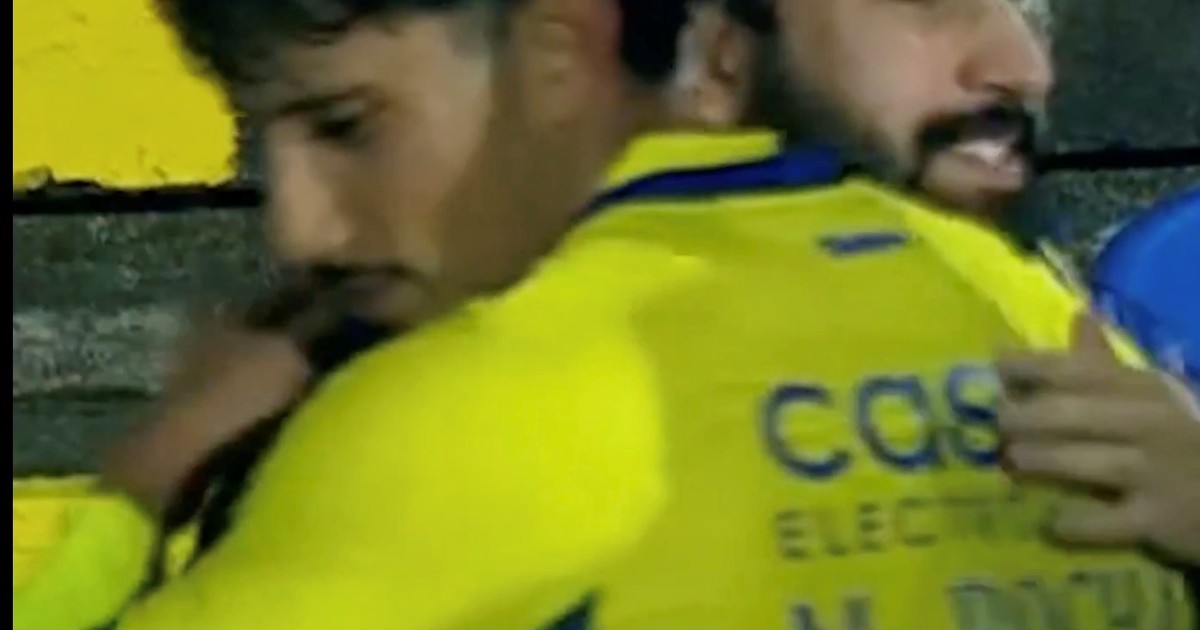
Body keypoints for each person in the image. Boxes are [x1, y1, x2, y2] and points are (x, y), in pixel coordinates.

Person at [14, 0, 695, 628]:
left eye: (346, 127)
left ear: (559, 52)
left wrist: (136, 498)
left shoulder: (448, 430)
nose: (297, 230)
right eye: (257, 147)